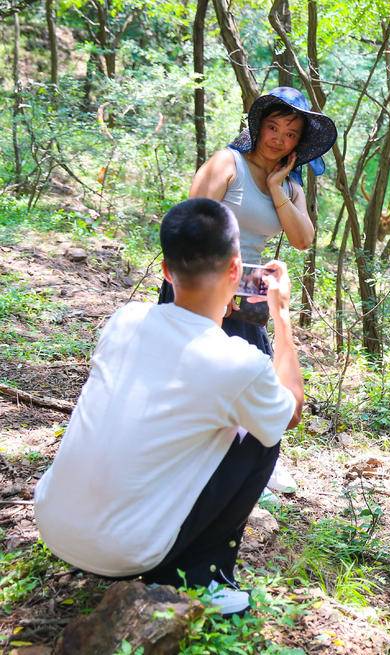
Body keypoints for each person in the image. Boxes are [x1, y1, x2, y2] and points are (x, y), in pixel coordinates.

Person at [35, 198, 304, 614]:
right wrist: (281, 315)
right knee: (264, 433)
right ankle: (202, 578)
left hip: (53, 525)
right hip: (129, 554)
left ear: (165, 269)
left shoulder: (125, 319)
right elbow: (292, 411)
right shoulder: (237, 363)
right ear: (236, 270)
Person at [160, 86, 337, 494]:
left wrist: (276, 190)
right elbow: (191, 221)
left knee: (257, 373)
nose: (279, 138)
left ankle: (256, 455)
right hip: (202, 277)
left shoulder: (289, 185)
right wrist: (207, 287)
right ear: (258, 127)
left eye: (290, 133)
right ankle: (183, 452)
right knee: (191, 369)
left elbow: (303, 238)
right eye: (273, 127)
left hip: (250, 284)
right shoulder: (229, 163)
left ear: (299, 142)